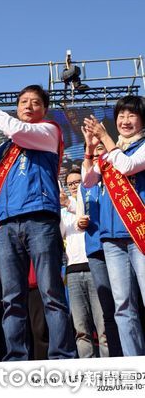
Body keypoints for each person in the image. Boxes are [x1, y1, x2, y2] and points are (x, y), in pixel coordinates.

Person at [0, 85, 76, 360]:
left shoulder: (48, 131)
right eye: (23, 102)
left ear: (44, 109)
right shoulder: (6, 147)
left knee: (51, 292)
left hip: (40, 218)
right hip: (6, 225)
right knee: (12, 297)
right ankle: (15, 357)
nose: (29, 106)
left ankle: (62, 355)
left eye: (35, 103)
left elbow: (18, 131)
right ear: (16, 108)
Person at [82, 95, 145, 356]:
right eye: (121, 115)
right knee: (122, 305)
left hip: (139, 232)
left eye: (131, 115)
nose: (125, 120)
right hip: (111, 238)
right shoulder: (110, 151)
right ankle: (135, 363)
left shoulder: (139, 147)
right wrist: (89, 147)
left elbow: (128, 166)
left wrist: (106, 140)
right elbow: (87, 180)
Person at [76, 143, 122, 357]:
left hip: (120, 244)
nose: (96, 157)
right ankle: (115, 359)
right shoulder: (86, 184)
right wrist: (80, 222)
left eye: (100, 151)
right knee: (107, 310)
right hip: (95, 250)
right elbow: (78, 217)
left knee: (127, 304)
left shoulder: (119, 174)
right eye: (92, 154)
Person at [61, 166, 108, 358]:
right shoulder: (62, 210)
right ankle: (86, 370)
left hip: (94, 267)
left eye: (77, 182)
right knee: (81, 329)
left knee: (103, 326)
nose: (73, 186)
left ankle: (109, 367)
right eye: (70, 183)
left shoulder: (93, 202)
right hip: (72, 272)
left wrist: (70, 203)